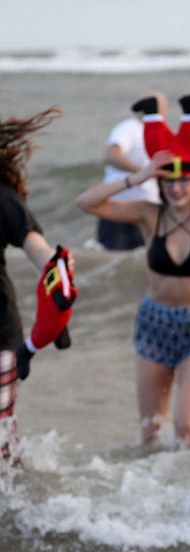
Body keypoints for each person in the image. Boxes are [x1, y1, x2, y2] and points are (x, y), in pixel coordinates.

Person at [76, 94, 190, 449]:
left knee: (183, 427)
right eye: (169, 181)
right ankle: (155, 497)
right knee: (150, 431)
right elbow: (86, 203)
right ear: (161, 183)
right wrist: (139, 176)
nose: (177, 187)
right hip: (154, 323)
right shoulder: (149, 214)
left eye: (185, 181)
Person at [1, 105, 72, 462]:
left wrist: (57, 270)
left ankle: (20, 511)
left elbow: (38, 249)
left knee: (0, 444)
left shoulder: (2, 197)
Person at [97, 91, 168, 250]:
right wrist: (143, 172)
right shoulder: (130, 127)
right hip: (119, 209)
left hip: (148, 209)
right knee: (114, 258)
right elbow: (111, 155)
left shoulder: (161, 132)